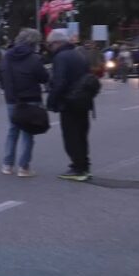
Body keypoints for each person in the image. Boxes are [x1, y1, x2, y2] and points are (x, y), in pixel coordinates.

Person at [1, 29, 50, 177]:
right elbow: (43, 77)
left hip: (12, 99)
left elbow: (1, 73)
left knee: (12, 130)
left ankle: (7, 165)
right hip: (30, 99)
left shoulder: (7, 56)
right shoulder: (34, 58)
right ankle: (24, 167)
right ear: (33, 42)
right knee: (28, 132)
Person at [46, 29, 93, 181]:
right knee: (81, 135)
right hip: (83, 101)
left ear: (58, 43)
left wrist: (51, 101)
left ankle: (78, 169)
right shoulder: (79, 54)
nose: (50, 48)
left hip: (69, 102)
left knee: (71, 137)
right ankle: (84, 166)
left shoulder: (61, 57)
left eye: (51, 44)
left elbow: (59, 82)